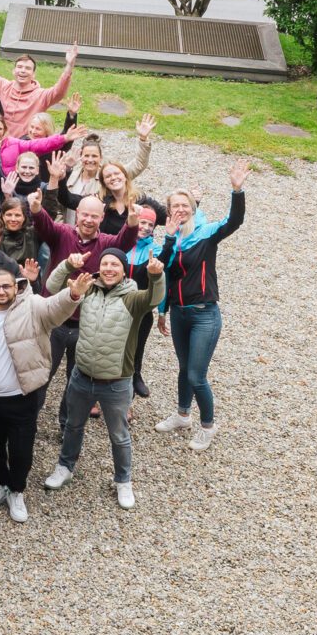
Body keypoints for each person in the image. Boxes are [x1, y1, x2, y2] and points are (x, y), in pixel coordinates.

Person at [0, 258, 93, 524]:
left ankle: (17, 489)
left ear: (17, 286)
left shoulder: (31, 305)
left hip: (21, 398)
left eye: (6, 286)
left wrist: (74, 294)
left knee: (21, 451)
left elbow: (56, 308)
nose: (1, 291)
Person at [48, 248, 162, 509]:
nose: (109, 268)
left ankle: (123, 480)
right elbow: (52, 288)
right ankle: (65, 467)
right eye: (105, 264)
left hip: (116, 381)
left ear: (123, 270)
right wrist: (67, 265)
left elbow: (155, 298)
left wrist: (156, 277)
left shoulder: (132, 298)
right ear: (99, 268)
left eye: (115, 265)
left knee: (119, 435)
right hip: (82, 376)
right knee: (73, 426)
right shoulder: (87, 289)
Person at [156, 160, 250, 450]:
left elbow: (233, 222)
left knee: (197, 374)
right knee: (184, 368)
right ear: (169, 212)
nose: (180, 210)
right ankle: (183, 414)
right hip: (179, 315)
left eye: (185, 206)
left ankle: (208, 426)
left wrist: (237, 191)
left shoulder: (207, 234)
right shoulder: (171, 240)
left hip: (204, 316)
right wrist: (162, 312)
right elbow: (164, 273)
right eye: (175, 207)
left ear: (193, 209)